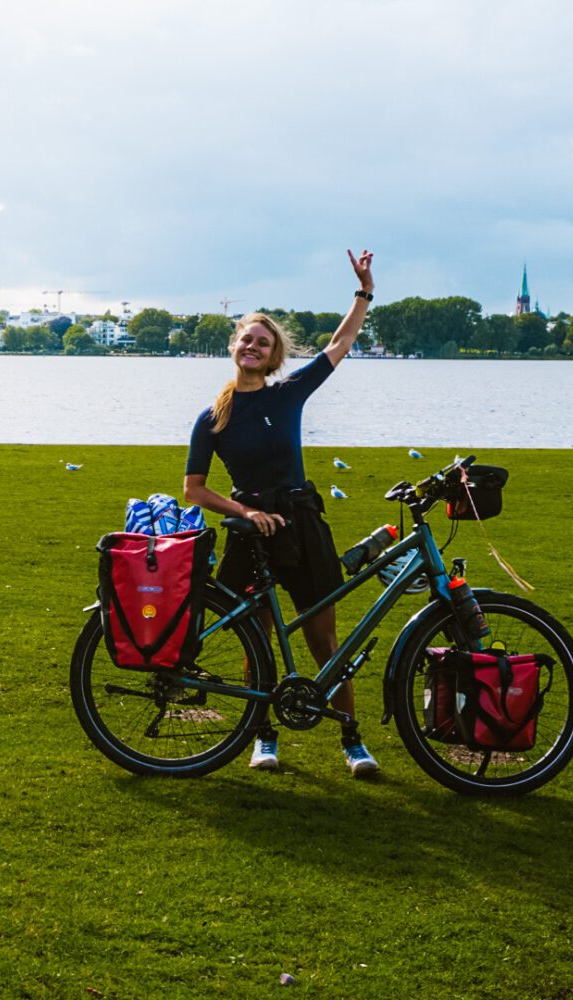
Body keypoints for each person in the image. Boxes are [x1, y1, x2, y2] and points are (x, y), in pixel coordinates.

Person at [183, 249, 378, 776]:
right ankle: (262, 736)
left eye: (263, 343)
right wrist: (243, 509)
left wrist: (363, 291)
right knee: (260, 641)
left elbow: (340, 343)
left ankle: (352, 740)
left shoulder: (289, 393)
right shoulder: (213, 418)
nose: (253, 346)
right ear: (235, 347)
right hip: (251, 533)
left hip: (301, 524)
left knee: (323, 639)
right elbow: (194, 490)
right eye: (247, 338)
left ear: (273, 359)